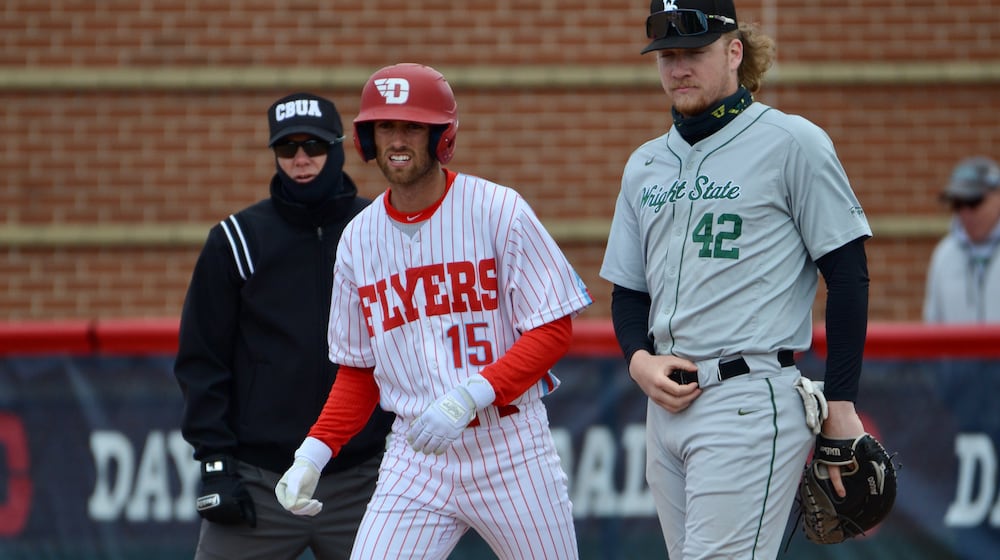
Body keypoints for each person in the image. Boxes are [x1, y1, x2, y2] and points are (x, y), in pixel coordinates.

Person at [273, 63, 592, 559]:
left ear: (441, 136)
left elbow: (552, 330)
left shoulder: (497, 209)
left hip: (509, 446)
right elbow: (359, 372)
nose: (397, 140)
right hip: (415, 455)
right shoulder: (358, 239)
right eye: (385, 126)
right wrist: (313, 453)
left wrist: (469, 396)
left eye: (412, 126)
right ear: (367, 139)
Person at [599, 1, 874, 558]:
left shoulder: (791, 142)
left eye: (693, 53)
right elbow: (628, 291)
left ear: (733, 51)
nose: (677, 68)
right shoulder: (645, 164)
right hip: (666, 406)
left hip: (748, 398)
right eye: (666, 55)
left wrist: (841, 404)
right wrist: (637, 358)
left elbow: (848, 277)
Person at [174, 92, 394, 560]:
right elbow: (201, 361)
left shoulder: (381, 229)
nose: (300, 159)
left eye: (313, 146)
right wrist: (214, 463)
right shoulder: (235, 241)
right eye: (286, 148)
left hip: (365, 481)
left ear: (337, 147)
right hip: (260, 482)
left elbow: (415, 344)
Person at [923, 156, 1000, 323]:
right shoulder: (944, 255)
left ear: (997, 197)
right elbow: (933, 324)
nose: (965, 213)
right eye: (957, 204)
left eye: (973, 202)